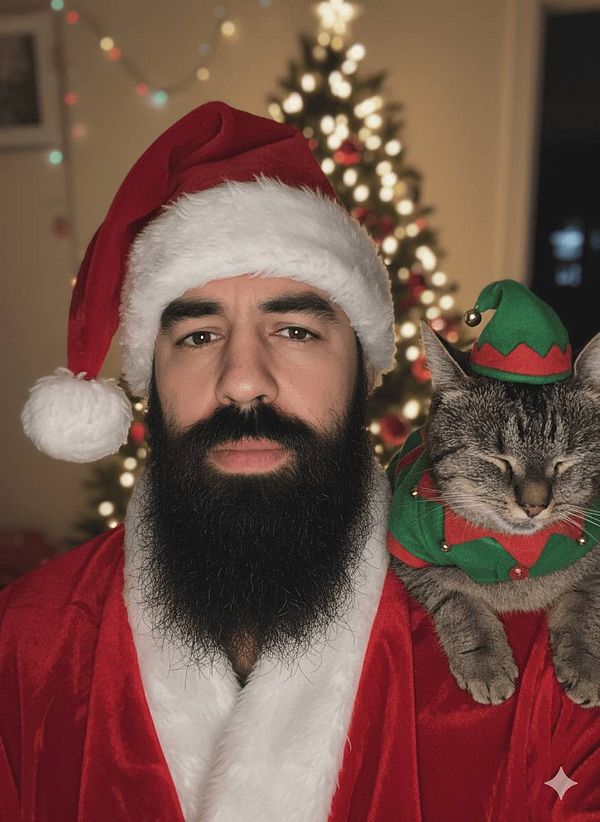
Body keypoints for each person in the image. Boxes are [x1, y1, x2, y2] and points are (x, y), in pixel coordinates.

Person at [1, 102, 599, 822]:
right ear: (145, 378)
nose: (243, 380)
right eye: (196, 336)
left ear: (364, 369)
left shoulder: (547, 659)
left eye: (294, 329)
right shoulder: (26, 643)